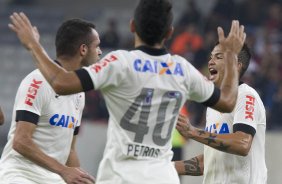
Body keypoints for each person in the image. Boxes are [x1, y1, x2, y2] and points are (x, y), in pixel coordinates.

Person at [8, 0, 246, 183]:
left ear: (132, 27)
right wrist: (232, 56)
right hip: (162, 177)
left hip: (121, 175)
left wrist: (33, 44)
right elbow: (227, 101)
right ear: (170, 32)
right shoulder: (183, 70)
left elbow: (61, 82)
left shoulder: (119, 63)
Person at [0, 19, 99, 184]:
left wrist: (81, 178)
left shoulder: (78, 92)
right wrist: (64, 171)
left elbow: (70, 151)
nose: (100, 51)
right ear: (83, 49)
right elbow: (20, 141)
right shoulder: (37, 82)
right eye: (97, 46)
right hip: (19, 175)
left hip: (52, 178)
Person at [174, 43, 267, 184]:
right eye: (211, 57)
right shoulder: (213, 107)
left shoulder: (246, 95)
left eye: (218, 57)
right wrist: (166, 166)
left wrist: (193, 132)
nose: (211, 61)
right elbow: (210, 161)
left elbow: (242, 143)